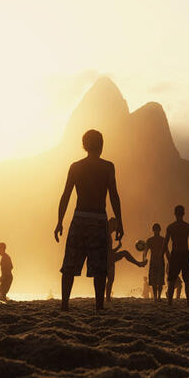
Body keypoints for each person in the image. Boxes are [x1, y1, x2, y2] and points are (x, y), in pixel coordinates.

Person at [55, 129, 124, 311]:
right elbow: (114, 196)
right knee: (100, 267)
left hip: (79, 219)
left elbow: (66, 196)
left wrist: (59, 221)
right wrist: (120, 222)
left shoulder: (76, 166)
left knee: (69, 265)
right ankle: (99, 306)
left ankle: (64, 305)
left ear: (84, 146)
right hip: (99, 219)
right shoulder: (108, 167)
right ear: (101, 146)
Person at [164, 205, 189, 306]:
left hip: (176, 253)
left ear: (174, 213)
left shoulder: (171, 227)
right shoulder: (187, 226)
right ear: (184, 213)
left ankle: (169, 303)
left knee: (172, 280)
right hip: (184, 253)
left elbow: (165, 244)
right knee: (187, 280)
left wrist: (166, 255)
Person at [106, 223, 147, 302]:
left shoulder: (108, 235)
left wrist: (118, 247)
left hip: (108, 257)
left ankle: (107, 297)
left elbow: (110, 251)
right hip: (107, 258)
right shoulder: (106, 235)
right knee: (110, 278)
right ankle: (139, 264)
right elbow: (108, 251)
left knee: (110, 279)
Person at [144, 223, 166, 301]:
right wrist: (144, 259)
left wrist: (170, 261)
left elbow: (167, 251)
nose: (156, 231)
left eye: (157, 229)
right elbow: (145, 251)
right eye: (155, 229)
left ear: (159, 230)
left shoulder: (163, 240)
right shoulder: (150, 240)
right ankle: (156, 296)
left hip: (159, 261)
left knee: (159, 281)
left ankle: (158, 296)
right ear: (153, 230)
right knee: (154, 281)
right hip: (154, 261)